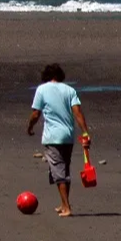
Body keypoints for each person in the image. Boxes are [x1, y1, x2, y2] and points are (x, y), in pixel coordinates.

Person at [27, 63, 91, 217]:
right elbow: (78, 113)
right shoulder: (69, 90)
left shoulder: (42, 89)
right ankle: (63, 204)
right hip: (68, 136)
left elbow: (36, 114)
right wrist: (85, 132)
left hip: (53, 136)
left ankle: (67, 207)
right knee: (63, 169)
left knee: (58, 171)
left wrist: (29, 127)